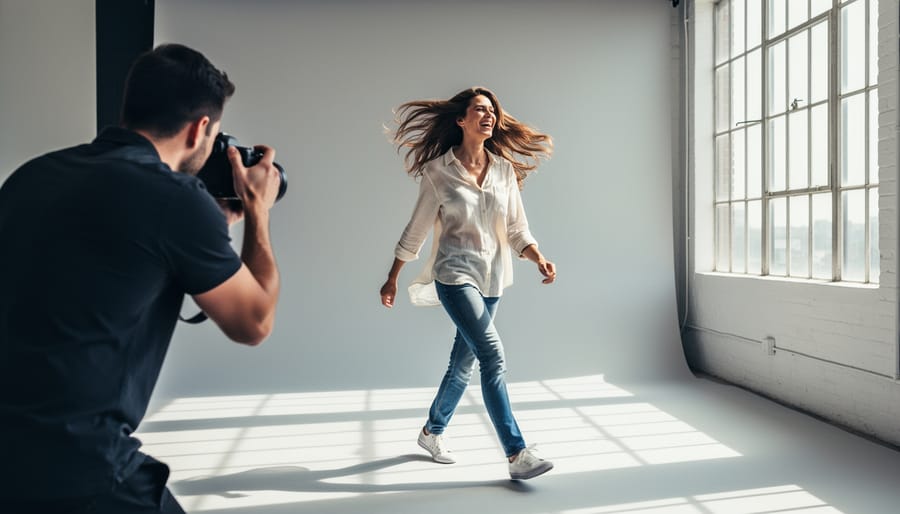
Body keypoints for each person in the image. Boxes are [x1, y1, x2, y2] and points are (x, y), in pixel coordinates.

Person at [0, 44, 282, 513]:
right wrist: (258, 211)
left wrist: (206, 234)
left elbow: (102, 259)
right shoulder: (174, 199)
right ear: (200, 129)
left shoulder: (32, 176)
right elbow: (253, 322)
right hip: (77, 465)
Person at [379, 87, 556, 480]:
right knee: (492, 354)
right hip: (454, 276)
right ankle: (516, 454)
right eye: (479, 110)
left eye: (492, 110)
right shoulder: (438, 172)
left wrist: (537, 256)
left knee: (462, 364)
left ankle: (431, 431)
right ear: (461, 119)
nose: (488, 115)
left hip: (491, 278)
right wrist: (392, 277)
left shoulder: (504, 171)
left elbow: (516, 229)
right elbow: (417, 230)